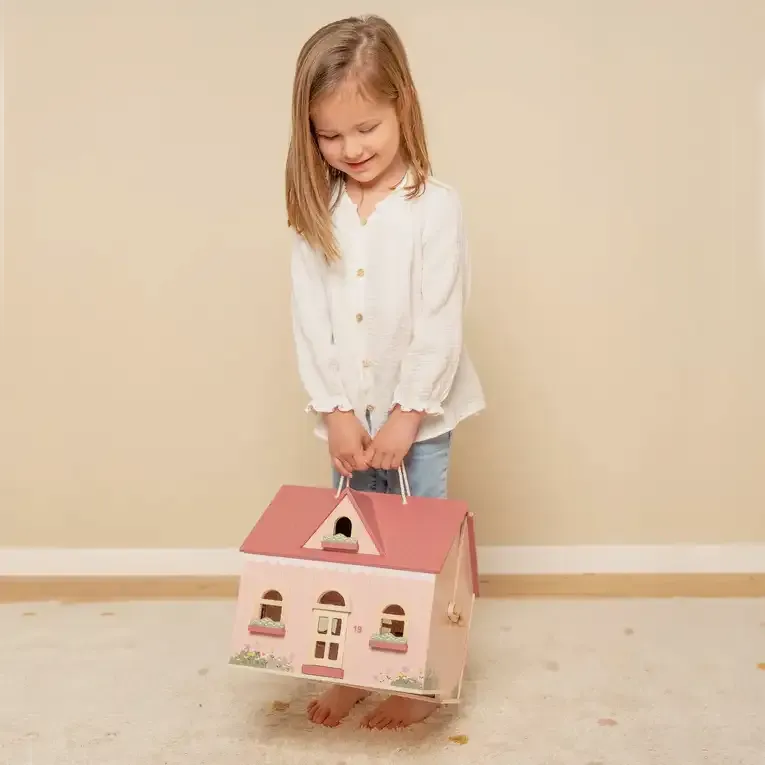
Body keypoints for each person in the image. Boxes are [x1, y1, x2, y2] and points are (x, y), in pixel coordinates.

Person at [285, 14, 485, 730]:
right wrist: (335, 409)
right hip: (348, 416)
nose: (349, 149)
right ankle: (350, 669)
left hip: (416, 418)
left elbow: (440, 317)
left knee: (411, 553)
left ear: (402, 102)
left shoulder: (434, 208)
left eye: (364, 128)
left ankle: (417, 674)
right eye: (328, 136)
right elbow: (311, 317)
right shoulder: (319, 210)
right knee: (349, 551)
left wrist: (408, 412)